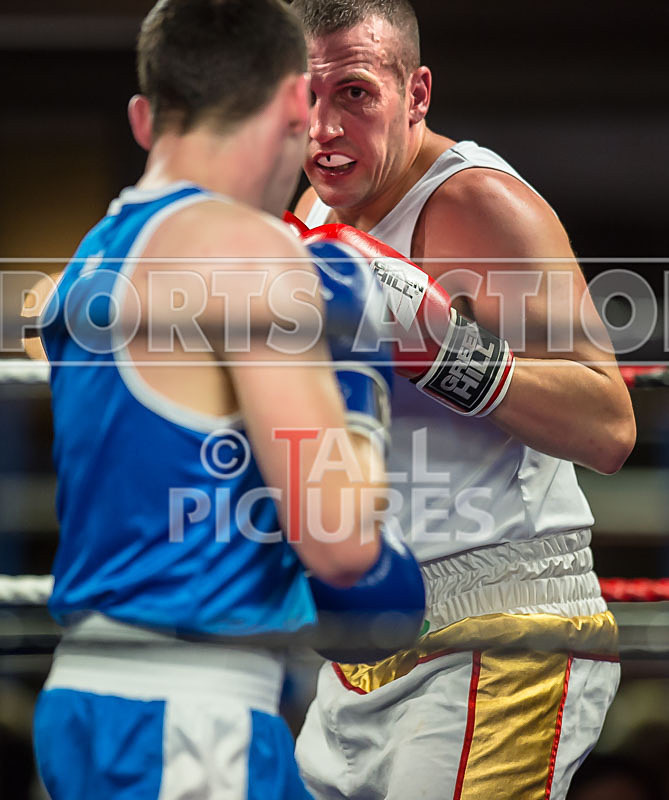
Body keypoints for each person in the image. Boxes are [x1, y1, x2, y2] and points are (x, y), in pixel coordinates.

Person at [30, 1, 426, 797]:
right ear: (293, 102)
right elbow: (341, 543)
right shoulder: (247, 249)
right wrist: (357, 394)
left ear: (145, 119)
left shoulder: (89, 261)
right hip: (188, 716)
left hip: (92, 697)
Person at [288, 1, 637, 798]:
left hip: (500, 627)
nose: (324, 128)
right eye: (307, 97)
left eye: (354, 94)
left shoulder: (479, 206)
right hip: (362, 632)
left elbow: (609, 424)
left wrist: (449, 357)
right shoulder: (315, 212)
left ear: (415, 94)